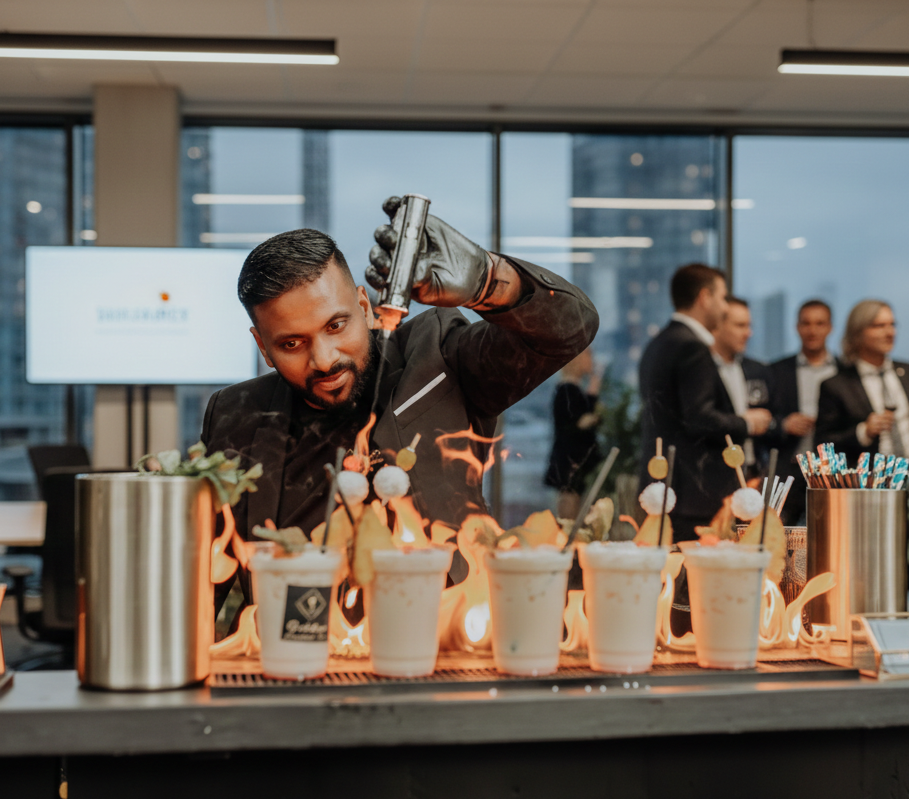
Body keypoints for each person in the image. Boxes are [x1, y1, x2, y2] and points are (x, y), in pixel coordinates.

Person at [201, 199, 599, 545]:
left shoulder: (439, 355)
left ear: (364, 306)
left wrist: (487, 279)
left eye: (336, 326)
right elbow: (205, 562)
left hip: (441, 624)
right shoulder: (235, 415)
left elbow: (569, 329)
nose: (323, 359)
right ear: (262, 347)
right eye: (292, 344)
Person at [638, 264, 772, 540]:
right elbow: (698, 417)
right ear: (704, 298)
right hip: (694, 492)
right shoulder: (691, 347)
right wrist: (747, 423)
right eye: (722, 297)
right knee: (699, 579)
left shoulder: (659, 343)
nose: (724, 308)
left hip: (666, 487)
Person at [815, 299, 909, 459]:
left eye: (892, 325)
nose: (890, 333)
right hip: (868, 479)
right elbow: (824, 444)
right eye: (879, 326)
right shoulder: (836, 385)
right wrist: (863, 432)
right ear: (857, 333)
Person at [769, 299, 838, 524]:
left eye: (820, 323)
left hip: (831, 472)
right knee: (778, 536)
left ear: (830, 327)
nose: (812, 330)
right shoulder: (777, 371)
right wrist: (784, 423)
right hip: (789, 468)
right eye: (806, 323)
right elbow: (765, 417)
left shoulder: (845, 371)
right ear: (797, 327)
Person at [711, 296, 776, 478]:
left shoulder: (758, 370)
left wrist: (770, 422)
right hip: (715, 473)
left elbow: (775, 418)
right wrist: (744, 422)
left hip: (754, 470)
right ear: (718, 326)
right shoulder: (703, 372)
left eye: (749, 326)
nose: (748, 333)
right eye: (740, 325)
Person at [544, 347, 603, 519]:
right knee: (569, 512)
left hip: (574, 462)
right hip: (570, 462)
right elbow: (578, 423)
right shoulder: (568, 390)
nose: (592, 360)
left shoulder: (571, 389)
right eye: (588, 355)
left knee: (573, 507)